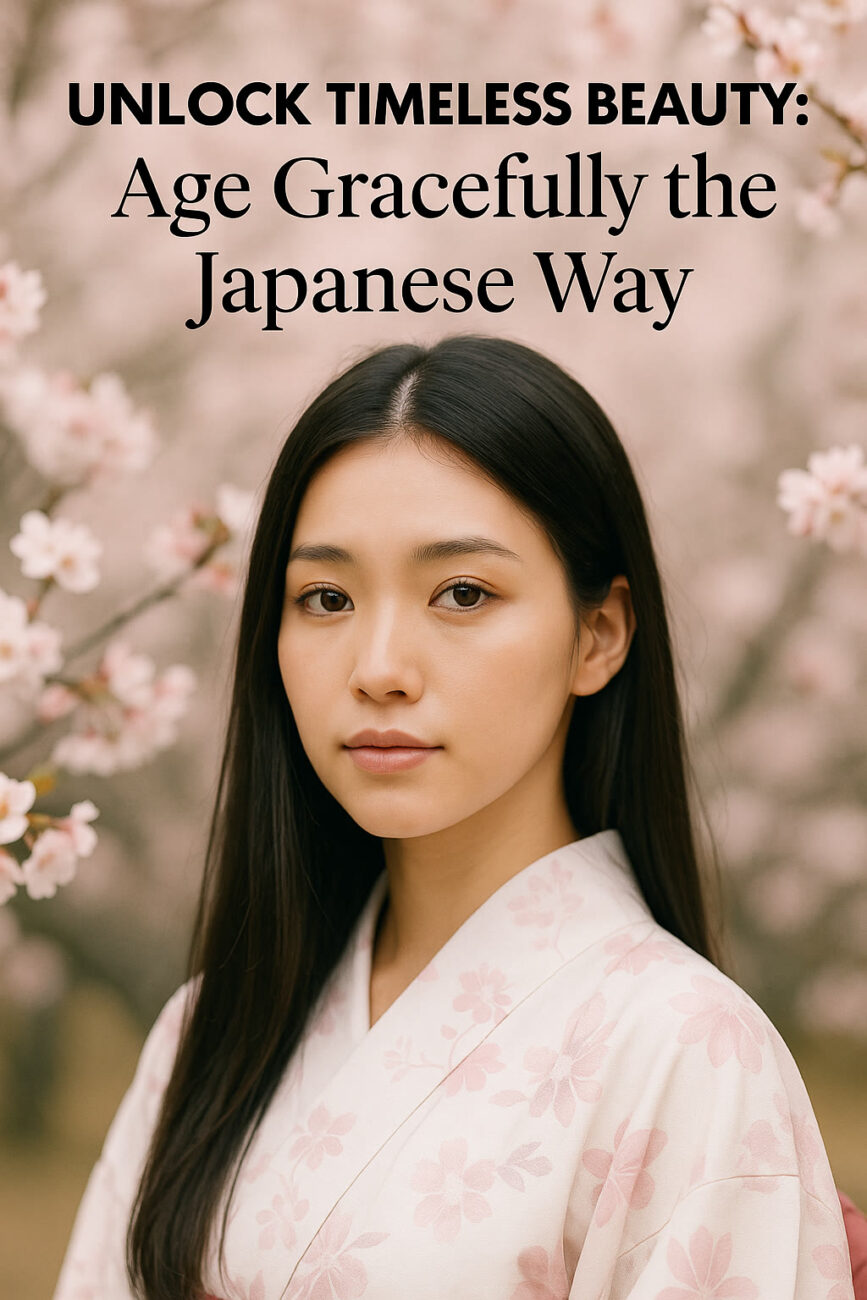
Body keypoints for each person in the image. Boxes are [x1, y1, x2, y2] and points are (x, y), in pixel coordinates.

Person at [53, 336, 856, 1300]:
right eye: (326, 597)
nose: (379, 666)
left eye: (462, 593)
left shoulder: (683, 1048)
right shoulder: (208, 1031)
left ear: (597, 635)